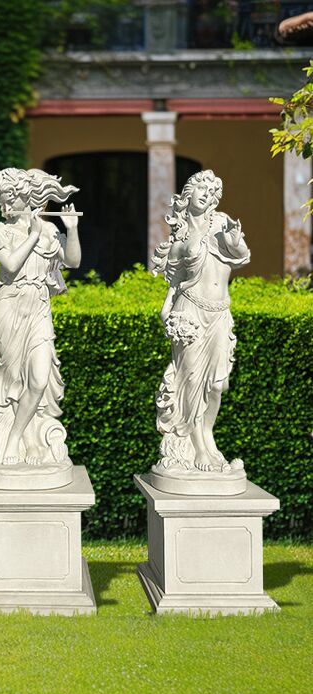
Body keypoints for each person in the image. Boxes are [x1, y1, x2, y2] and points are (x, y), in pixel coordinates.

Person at [0, 167, 81, 466]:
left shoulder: (48, 231)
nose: (3, 206)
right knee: (15, 381)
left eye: (9, 198)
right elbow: (9, 266)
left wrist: (71, 229)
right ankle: (22, 439)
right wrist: (33, 234)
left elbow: (73, 261)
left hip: (38, 308)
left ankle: (18, 437)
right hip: (9, 307)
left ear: (25, 196)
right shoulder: (0, 232)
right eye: (0, 199)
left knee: (38, 379)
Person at [152, 169, 250, 473]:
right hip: (190, 312)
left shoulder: (221, 223)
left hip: (219, 312)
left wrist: (234, 241)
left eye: (212, 190)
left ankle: (207, 437)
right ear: (187, 195)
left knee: (218, 384)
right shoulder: (181, 234)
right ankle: (198, 447)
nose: (207, 195)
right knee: (192, 381)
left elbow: (243, 254)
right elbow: (176, 278)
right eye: (201, 189)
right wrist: (167, 308)